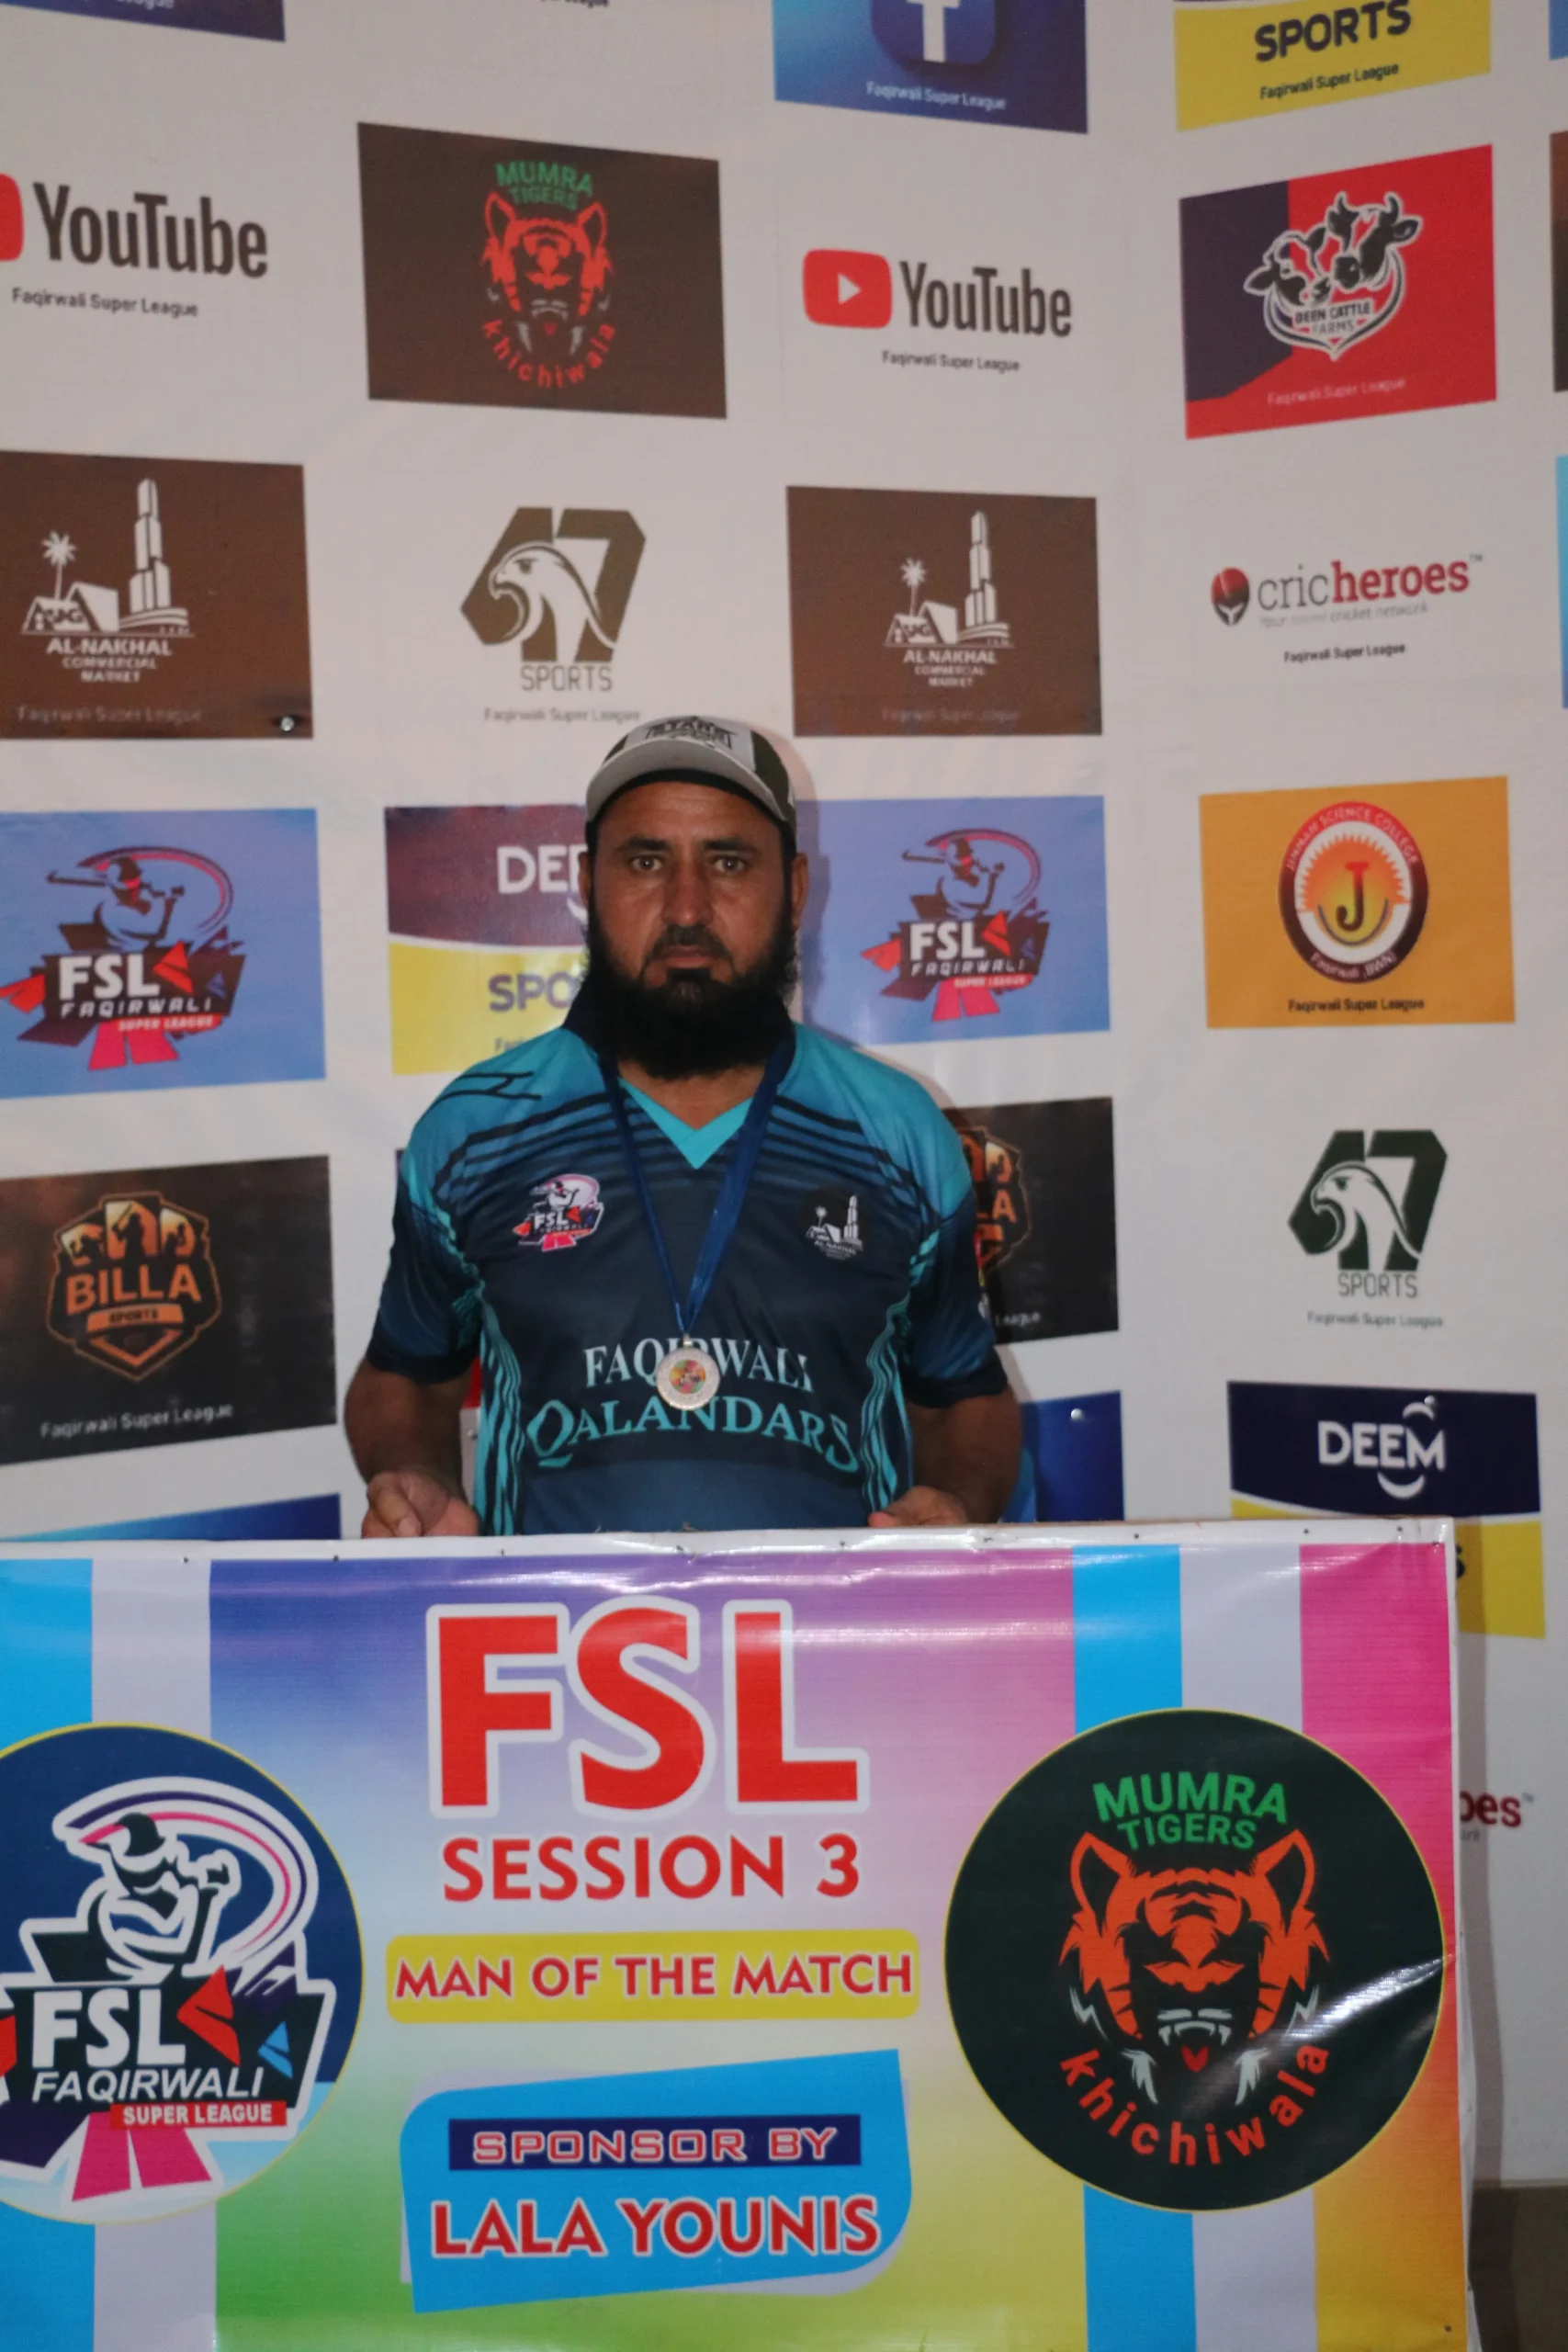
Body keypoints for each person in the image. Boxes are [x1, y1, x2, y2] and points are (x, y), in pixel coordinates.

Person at [345, 715, 1020, 1538]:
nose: (687, 907)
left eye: (728, 862)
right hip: (562, 1617)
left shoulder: (896, 1132)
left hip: (832, 1618)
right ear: (587, 881)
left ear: (795, 889)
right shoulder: (477, 1130)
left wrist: (956, 1504)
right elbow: (406, 1376)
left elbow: (962, 1397)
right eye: (645, 861)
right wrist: (413, 1475)